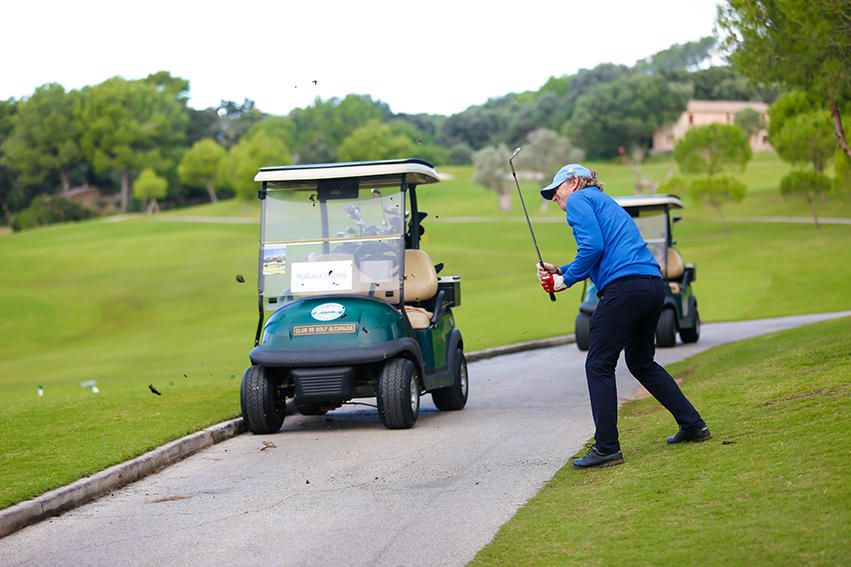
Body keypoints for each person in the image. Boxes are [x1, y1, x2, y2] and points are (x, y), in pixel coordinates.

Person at [536, 164, 710, 469]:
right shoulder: (604, 203)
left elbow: (593, 247)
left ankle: (607, 448)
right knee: (641, 362)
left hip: (624, 289)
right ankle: (694, 425)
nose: (554, 198)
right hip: (650, 285)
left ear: (575, 182)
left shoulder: (578, 200)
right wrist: (562, 271)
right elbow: (601, 253)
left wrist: (566, 281)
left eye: (557, 189)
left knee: (598, 363)